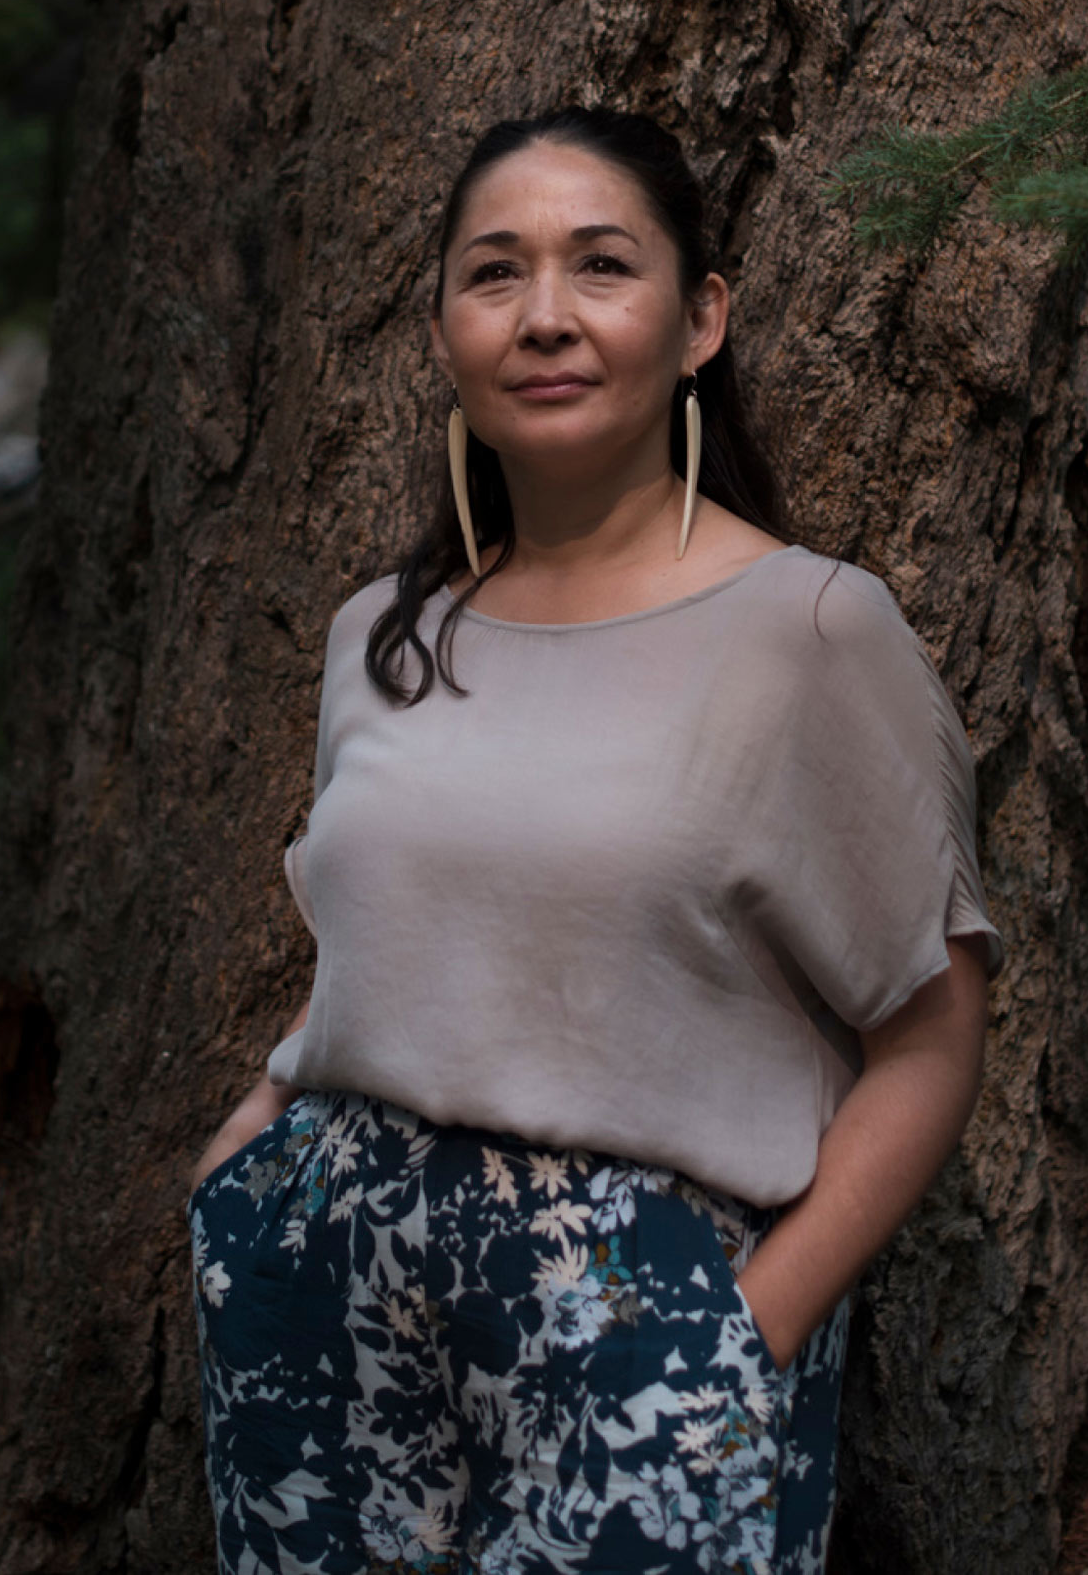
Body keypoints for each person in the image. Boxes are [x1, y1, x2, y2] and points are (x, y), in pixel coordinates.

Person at [185, 107, 1001, 1575]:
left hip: (641, 1312)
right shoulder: (382, 634)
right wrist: (246, 1160)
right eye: (495, 273)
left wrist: (747, 1331)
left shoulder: (810, 632)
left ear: (700, 322)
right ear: (442, 327)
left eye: (602, 266)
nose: (545, 316)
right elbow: (391, 939)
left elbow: (934, 1031)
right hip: (317, 1285)